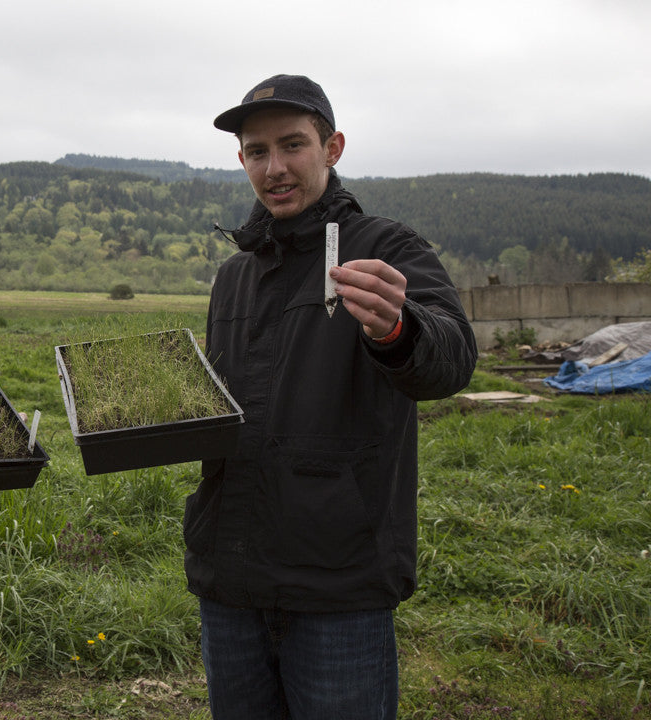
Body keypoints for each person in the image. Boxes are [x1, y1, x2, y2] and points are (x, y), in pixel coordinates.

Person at [186, 75, 477, 719]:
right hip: (230, 579)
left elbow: (453, 359)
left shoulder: (385, 249)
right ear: (242, 160)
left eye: (293, 145)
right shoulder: (234, 275)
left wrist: (399, 330)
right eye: (257, 152)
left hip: (338, 584)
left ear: (333, 147)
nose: (275, 168)